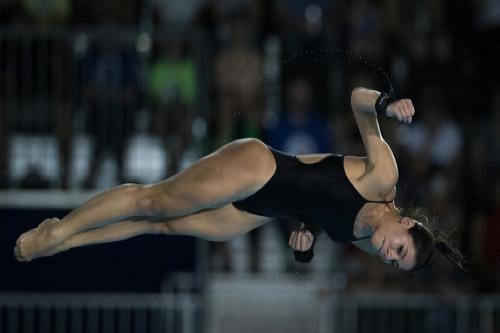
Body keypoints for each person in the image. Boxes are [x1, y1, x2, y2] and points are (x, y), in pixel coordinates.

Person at [14, 87, 467, 273]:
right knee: (154, 203)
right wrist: (386, 104)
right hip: (260, 167)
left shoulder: (369, 241)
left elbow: (316, 214)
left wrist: (303, 249)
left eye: (394, 263)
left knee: (162, 226)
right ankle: (60, 228)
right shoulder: (383, 176)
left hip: (260, 210)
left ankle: (66, 244)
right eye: (399, 250)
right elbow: (356, 100)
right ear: (407, 224)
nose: (387, 255)